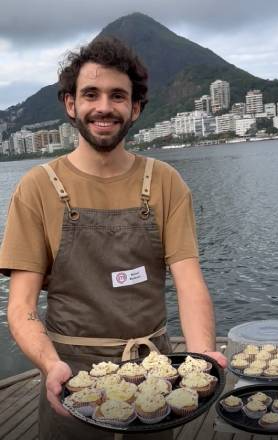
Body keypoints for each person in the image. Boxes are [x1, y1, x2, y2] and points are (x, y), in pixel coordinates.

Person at [0, 36, 226, 439]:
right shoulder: (36, 188)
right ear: (71, 104)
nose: (104, 107)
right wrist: (51, 365)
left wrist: (201, 354)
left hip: (155, 374)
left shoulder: (165, 182)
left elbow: (190, 284)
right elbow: (21, 306)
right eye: (91, 94)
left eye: (118, 96)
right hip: (71, 380)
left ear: (135, 108)